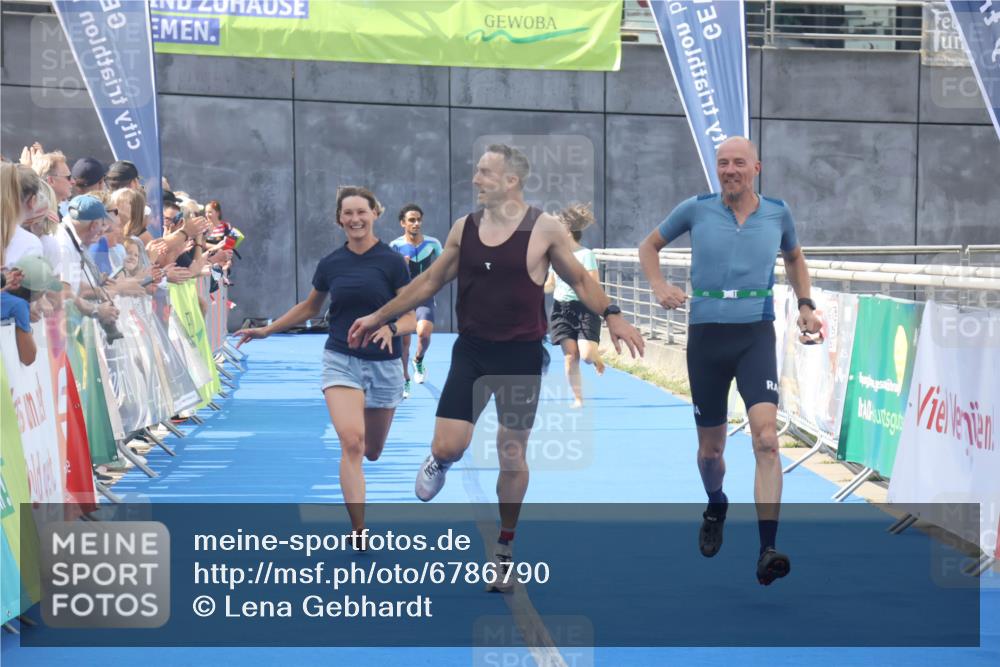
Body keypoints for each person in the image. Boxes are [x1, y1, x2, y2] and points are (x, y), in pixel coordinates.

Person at [349, 144, 644, 591]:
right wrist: (380, 314)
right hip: (472, 351)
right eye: (477, 171)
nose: (476, 179)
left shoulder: (542, 228)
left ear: (511, 181)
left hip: (520, 357)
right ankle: (440, 461)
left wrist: (614, 314)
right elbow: (429, 281)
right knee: (449, 446)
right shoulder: (463, 228)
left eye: (485, 172)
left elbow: (580, 280)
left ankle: (505, 548)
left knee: (511, 453)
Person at [637, 137, 822, 586]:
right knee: (711, 452)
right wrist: (660, 286)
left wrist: (805, 304)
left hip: (754, 336)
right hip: (706, 340)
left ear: (756, 167)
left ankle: (768, 549)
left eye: (739, 163)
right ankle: (716, 502)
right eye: (723, 164)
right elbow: (648, 247)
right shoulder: (695, 209)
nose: (730, 170)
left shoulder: (777, 212)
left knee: (766, 440)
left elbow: (794, 256)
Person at [235, 186, 416, 545]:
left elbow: (411, 317)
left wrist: (390, 327)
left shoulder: (393, 262)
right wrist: (268, 329)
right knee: (352, 443)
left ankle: (360, 497)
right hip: (341, 359)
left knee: (373, 451)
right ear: (339, 220)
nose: (355, 219)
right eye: (347, 213)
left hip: (384, 364)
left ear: (374, 214)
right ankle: (359, 530)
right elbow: (309, 308)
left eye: (361, 212)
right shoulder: (331, 263)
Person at [543, 203, 605, 408]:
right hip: (562, 309)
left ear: (567, 232)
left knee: (586, 356)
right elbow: (550, 284)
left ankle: (595, 357)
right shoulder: (556, 256)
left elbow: (594, 284)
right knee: (571, 356)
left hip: (584, 309)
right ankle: (578, 398)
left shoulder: (586, 255)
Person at [389, 204, 443, 398]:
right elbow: (388, 275)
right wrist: (401, 267)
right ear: (403, 223)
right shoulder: (394, 246)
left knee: (424, 334)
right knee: (404, 342)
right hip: (403, 299)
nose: (416, 223)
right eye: (411, 220)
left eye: (419, 219)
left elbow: (445, 265)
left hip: (424, 297)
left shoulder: (433, 243)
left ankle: (418, 360)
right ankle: (405, 380)